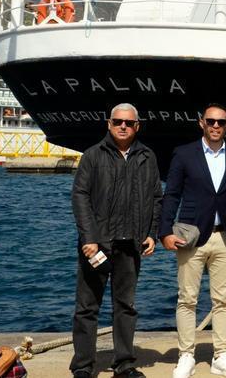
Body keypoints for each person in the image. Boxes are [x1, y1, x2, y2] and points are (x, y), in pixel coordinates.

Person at [70, 104, 162, 378]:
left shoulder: (147, 156)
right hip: (97, 246)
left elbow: (156, 197)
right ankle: (83, 367)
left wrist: (151, 233)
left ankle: (124, 364)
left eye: (129, 123)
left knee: (126, 307)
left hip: (130, 245)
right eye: (118, 121)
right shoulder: (93, 155)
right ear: (108, 124)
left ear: (138, 126)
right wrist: (89, 237)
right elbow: (80, 196)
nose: (123, 126)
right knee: (87, 308)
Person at [159, 104, 226, 378]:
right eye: (210, 121)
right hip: (191, 236)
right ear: (201, 122)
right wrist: (164, 231)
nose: (215, 126)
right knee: (187, 299)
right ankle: (186, 355)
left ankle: (221, 355)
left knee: (222, 300)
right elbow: (172, 194)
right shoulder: (184, 154)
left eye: (221, 122)